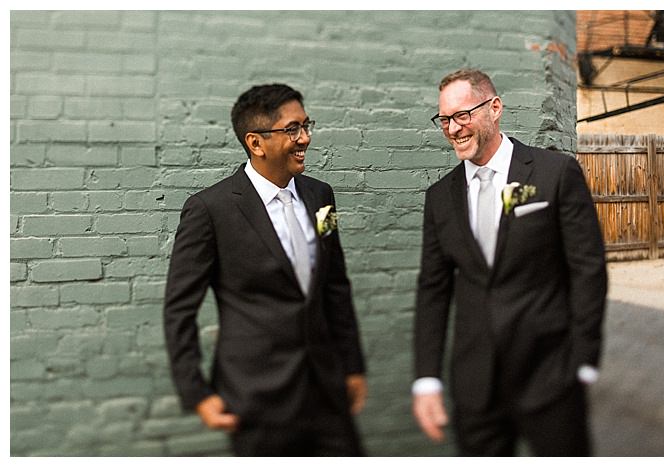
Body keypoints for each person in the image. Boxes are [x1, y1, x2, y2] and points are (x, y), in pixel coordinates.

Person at [163, 83, 367, 456]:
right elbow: (180, 308)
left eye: (306, 126)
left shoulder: (320, 196)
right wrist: (197, 392)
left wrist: (352, 365)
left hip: (325, 390)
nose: (305, 138)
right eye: (293, 129)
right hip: (257, 400)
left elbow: (335, 285)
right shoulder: (211, 210)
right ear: (256, 143)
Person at [412, 69, 607, 456]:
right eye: (445, 119)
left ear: (495, 108)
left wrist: (583, 360)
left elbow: (587, 267)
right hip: (476, 387)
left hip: (550, 375)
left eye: (462, 115)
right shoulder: (440, 197)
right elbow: (433, 290)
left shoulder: (555, 173)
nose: (452, 128)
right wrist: (427, 380)